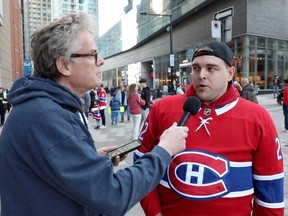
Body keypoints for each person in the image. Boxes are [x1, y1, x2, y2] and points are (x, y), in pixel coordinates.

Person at [0, 13, 189, 216]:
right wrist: (164, 151)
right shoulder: (44, 116)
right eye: (93, 54)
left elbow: (52, 169)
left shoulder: (46, 109)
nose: (101, 61)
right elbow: (113, 195)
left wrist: (90, 159)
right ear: (64, 65)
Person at [135, 41, 284, 215]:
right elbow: (141, 161)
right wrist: (154, 212)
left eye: (211, 68)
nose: (201, 75)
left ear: (230, 73)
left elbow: (270, 186)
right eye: (196, 68)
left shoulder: (257, 118)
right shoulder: (162, 109)